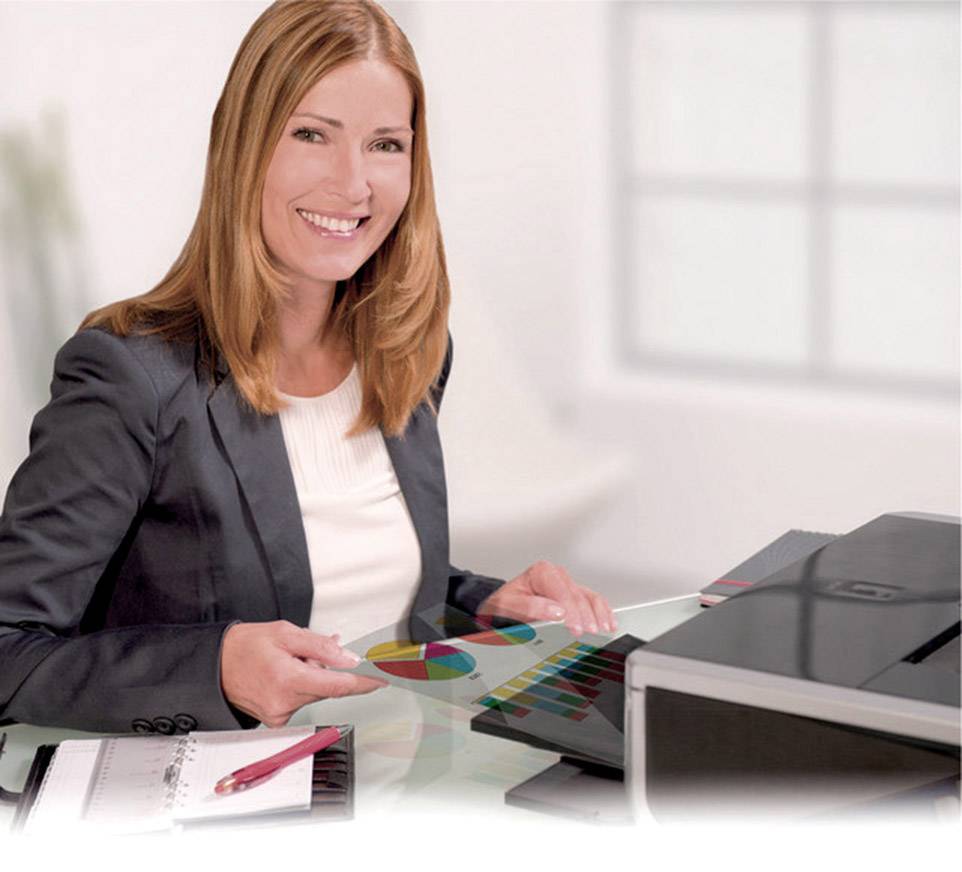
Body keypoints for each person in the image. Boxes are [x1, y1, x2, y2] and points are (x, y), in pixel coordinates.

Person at [0, 0, 614, 736]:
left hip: (392, 790)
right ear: (245, 145)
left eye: (385, 144)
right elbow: (10, 649)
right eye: (312, 134)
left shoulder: (407, 357)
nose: (353, 183)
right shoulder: (133, 377)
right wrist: (215, 668)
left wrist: (482, 603)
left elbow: (348, 579)